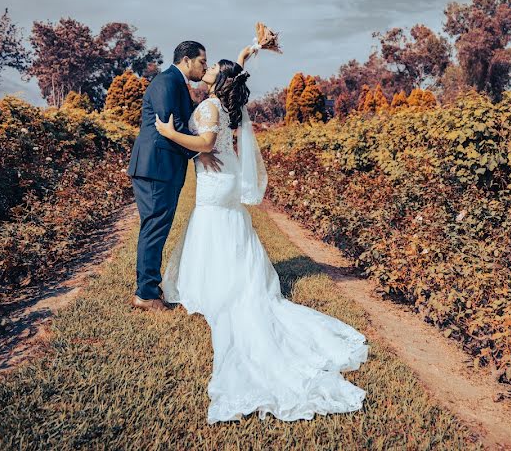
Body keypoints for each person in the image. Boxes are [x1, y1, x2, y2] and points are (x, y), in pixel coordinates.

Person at [154, 46, 368, 423]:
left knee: (210, 225)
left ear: (218, 80)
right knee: (229, 227)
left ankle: (210, 288)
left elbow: (204, 143)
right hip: (227, 175)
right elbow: (231, 79)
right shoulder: (225, 103)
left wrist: (170, 133)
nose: (208, 67)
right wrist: (248, 52)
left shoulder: (208, 107)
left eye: (213, 67)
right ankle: (231, 281)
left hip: (216, 180)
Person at [127, 40, 220, 311]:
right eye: (202, 61)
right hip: (157, 167)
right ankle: (145, 295)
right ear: (187, 60)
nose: (204, 67)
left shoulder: (177, 83)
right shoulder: (168, 82)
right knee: (154, 228)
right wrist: (200, 150)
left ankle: (148, 287)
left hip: (162, 167)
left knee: (155, 227)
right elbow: (173, 125)